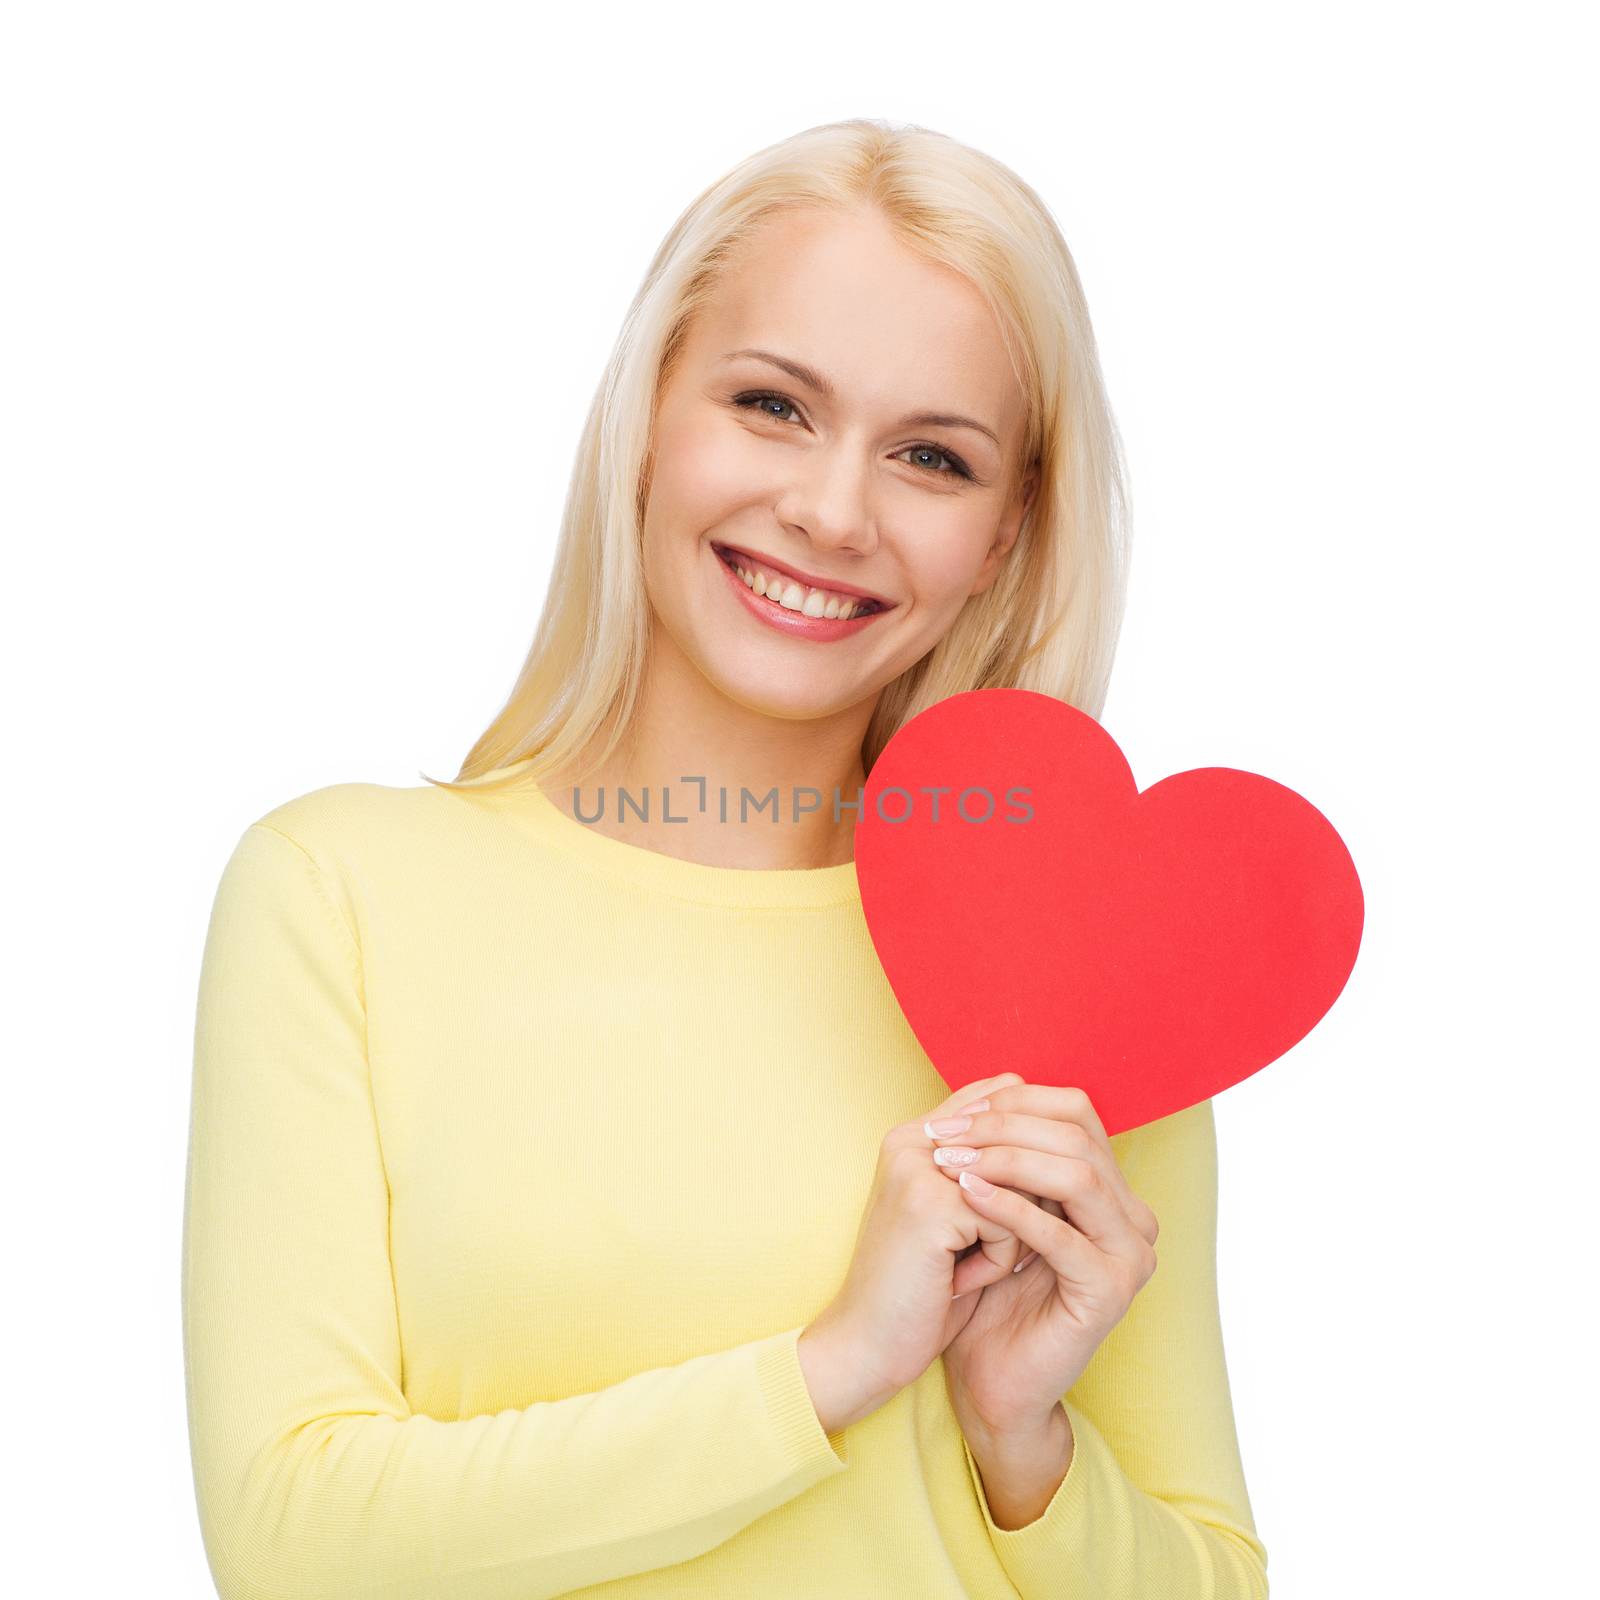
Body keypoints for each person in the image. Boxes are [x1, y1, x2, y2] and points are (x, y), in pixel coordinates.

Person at [182, 117, 1269, 1598]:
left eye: (931, 457)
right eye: (771, 405)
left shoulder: (1079, 978)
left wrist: (1024, 1445)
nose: (831, 512)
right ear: (648, 414)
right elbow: (290, 1542)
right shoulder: (342, 895)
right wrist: (832, 1372)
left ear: (1006, 535)